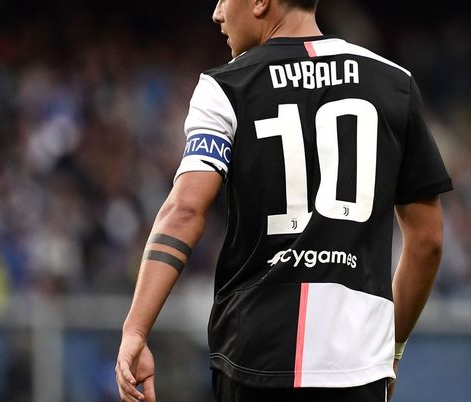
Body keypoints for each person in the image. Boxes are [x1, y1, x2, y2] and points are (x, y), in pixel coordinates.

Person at [116, 0, 452, 401]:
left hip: (254, 352)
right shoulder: (395, 84)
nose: (217, 13)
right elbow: (427, 243)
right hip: (356, 362)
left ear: (261, 2)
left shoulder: (225, 87)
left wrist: (136, 329)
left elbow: (185, 210)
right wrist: (391, 349)